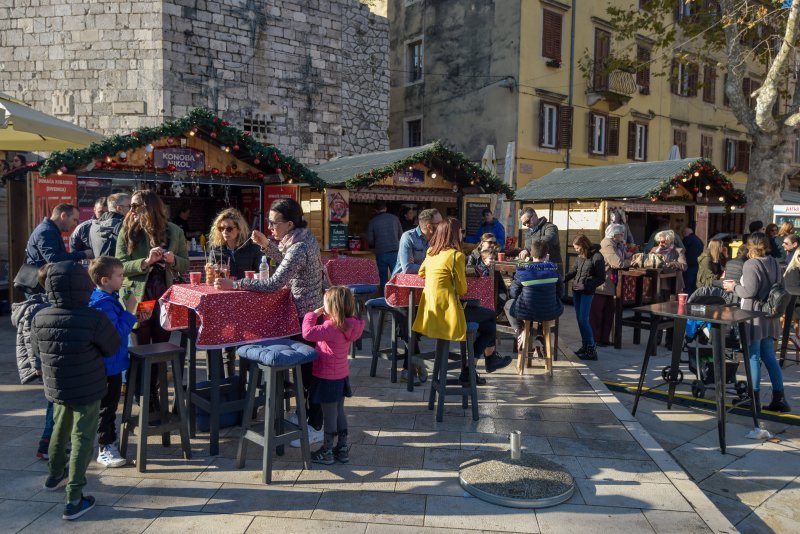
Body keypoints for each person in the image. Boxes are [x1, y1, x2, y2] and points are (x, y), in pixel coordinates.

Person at [214, 198, 325, 446]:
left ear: (289, 223)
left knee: (308, 372)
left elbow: (274, 283)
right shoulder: (301, 238)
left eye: (274, 223)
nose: (270, 227)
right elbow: (285, 261)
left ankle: (316, 425)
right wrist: (266, 245)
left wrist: (236, 284)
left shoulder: (298, 247)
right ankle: (306, 414)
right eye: (269, 222)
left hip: (305, 314)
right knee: (307, 371)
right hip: (307, 311)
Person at [29, 261, 120, 520]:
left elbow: (37, 352)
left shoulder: (40, 316)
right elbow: (111, 347)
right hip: (88, 385)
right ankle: (75, 497)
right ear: (85, 286)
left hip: (57, 385)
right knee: (82, 437)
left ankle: (54, 475)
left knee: (60, 428)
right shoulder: (93, 317)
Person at [413, 217, 512, 384]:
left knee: (486, 321)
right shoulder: (456, 256)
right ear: (453, 234)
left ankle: (475, 368)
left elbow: (421, 273)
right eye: (461, 231)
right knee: (490, 317)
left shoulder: (431, 253)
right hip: (450, 314)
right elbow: (462, 289)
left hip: (431, 313)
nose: (462, 235)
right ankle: (476, 365)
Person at [116, 190, 188, 408]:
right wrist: (145, 262)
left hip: (163, 297)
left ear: (151, 208)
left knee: (160, 348)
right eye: (131, 206)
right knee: (139, 347)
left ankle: (155, 395)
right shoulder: (127, 231)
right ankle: (143, 394)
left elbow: (184, 263)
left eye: (137, 206)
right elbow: (119, 265)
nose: (132, 210)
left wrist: (172, 259)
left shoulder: (174, 231)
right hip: (138, 297)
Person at [724, 233, 790, 413]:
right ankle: (779, 398)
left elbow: (749, 291)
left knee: (752, 355)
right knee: (768, 356)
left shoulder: (751, 264)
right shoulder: (774, 262)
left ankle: (752, 398)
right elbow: (780, 286)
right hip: (771, 314)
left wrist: (733, 287)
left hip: (753, 315)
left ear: (749, 246)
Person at [302, 286, 365, 465]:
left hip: (327, 377)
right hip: (341, 376)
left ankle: (327, 451)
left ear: (332, 306)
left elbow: (307, 333)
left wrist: (311, 315)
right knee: (339, 412)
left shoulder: (331, 326)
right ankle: (342, 448)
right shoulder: (350, 324)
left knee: (328, 415)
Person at [88, 256, 138, 468]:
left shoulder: (109, 298)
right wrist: (129, 311)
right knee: (107, 407)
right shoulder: (102, 304)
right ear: (105, 280)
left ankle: (108, 440)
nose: (123, 278)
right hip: (108, 365)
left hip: (113, 363)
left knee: (109, 406)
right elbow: (115, 336)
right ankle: (105, 446)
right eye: (119, 275)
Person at [11, 264, 53, 460]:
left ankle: (52, 442)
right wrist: (38, 366)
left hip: (45, 365)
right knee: (54, 405)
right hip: (45, 365)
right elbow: (33, 340)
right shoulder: (37, 308)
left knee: (54, 405)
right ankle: (46, 444)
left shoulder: (32, 306)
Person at [505, 240, 564, 350]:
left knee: (508, 304)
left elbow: (513, 293)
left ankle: (520, 331)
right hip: (550, 310)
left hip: (527, 311)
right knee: (541, 307)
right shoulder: (554, 269)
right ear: (546, 255)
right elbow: (561, 293)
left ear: (531, 254)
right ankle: (539, 336)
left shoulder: (523, 269)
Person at [564, 235, 606, 360]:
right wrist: (563, 279)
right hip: (576, 291)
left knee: (583, 320)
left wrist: (585, 285)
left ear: (584, 245)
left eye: (577, 248)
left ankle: (591, 349)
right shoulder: (580, 257)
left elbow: (600, 278)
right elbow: (573, 271)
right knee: (580, 320)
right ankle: (585, 346)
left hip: (587, 292)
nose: (576, 250)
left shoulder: (597, 257)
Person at [590, 224, 631, 347]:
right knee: (597, 313)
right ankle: (595, 338)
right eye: (621, 234)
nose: (623, 236)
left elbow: (623, 259)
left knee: (608, 313)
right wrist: (634, 261)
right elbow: (617, 263)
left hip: (611, 284)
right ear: (614, 235)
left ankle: (604, 339)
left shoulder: (618, 245)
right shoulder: (607, 244)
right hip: (602, 284)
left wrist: (630, 257)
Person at [25, 204, 94, 268]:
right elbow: (54, 259)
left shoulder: (49, 229)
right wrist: (84, 254)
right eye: (74, 220)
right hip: (39, 278)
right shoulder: (46, 231)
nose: (75, 224)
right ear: (63, 216)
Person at [207, 208, 262, 279]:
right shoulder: (216, 251)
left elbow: (261, 276)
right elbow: (210, 278)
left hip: (247, 288)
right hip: (223, 289)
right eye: (221, 228)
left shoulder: (253, 248)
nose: (225, 232)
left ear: (239, 229)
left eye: (229, 229)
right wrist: (212, 273)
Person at [392, 208, 443, 275]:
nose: (443, 226)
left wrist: (417, 265)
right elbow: (408, 268)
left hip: (424, 281)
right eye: (439, 223)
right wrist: (433, 267)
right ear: (429, 227)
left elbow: (441, 263)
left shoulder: (438, 239)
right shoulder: (408, 237)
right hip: (403, 282)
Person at [366, 201, 402, 290]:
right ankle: (397, 298)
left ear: (375, 210)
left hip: (381, 252)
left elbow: (370, 240)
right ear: (385, 208)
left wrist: (373, 246)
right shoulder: (395, 218)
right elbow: (401, 234)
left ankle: (384, 298)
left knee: (383, 277)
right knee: (397, 276)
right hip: (395, 251)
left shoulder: (373, 221)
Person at [89, 193, 131, 258]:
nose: (132, 209)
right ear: (119, 208)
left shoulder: (93, 225)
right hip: (118, 266)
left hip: (100, 266)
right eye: (130, 206)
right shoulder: (125, 226)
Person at [682, 226, 705, 295]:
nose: (683, 235)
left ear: (686, 233)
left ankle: (687, 301)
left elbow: (682, 250)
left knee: (687, 286)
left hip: (689, 266)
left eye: (683, 233)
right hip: (697, 265)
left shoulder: (687, 239)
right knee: (693, 286)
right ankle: (692, 300)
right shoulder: (699, 240)